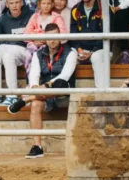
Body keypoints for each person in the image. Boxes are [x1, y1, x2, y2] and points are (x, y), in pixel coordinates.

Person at [7, 24, 77, 159]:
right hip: (43, 96)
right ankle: (37, 147)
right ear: (44, 38)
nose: (52, 41)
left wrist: (43, 87)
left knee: (60, 83)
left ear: (60, 37)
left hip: (63, 95)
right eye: (49, 38)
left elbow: (65, 76)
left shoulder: (71, 52)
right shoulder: (38, 54)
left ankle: (26, 99)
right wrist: (35, 87)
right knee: (36, 104)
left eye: (55, 37)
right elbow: (33, 75)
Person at [0, 0, 34, 107]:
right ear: (7, 4)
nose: (14, 6)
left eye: (17, 2)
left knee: (7, 55)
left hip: (24, 49)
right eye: (11, 3)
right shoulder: (2, 19)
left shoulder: (31, 15)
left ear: (22, 2)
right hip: (7, 50)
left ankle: (12, 95)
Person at [70, 0, 112, 89]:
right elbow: (73, 35)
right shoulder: (75, 9)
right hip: (82, 50)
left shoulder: (104, 7)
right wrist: (79, 50)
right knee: (69, 55)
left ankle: (101, 92)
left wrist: (92, 52)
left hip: (102, 49)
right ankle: (68, 92)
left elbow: (107, 35)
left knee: (96, 57)